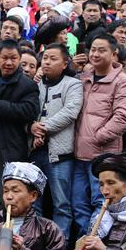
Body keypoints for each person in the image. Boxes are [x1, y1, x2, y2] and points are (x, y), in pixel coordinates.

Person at [0, 39, 40, 243]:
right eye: (4, 58)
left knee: (2, 195)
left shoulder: (27, 85)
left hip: (9, 147)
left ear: (20, 60)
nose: (9, 63)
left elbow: (30, 110)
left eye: (13, 58)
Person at [71, 33, 126, 237]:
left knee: (101, 203)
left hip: (103, 156)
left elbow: (124, 117)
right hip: (78, 154)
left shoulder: (122, 82)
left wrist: (98, 137)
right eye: (93, 50)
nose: (95, 54)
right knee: (78, 204)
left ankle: (95, 244)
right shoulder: (84, 77)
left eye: (102, 50)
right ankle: (82, 245)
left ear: (114, 54)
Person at [29, 43, 83, 237]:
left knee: (61, 203)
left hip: (60, 153)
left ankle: (59, 244)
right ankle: (33, 241)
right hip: (35, 152)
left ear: (64, 63)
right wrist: (31, 127)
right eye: (45, 58)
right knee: (34, 202)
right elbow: (27, 110)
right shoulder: (34, 84)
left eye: (53, 58)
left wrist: (42, 128)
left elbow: (70, 112)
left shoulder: (73, 84)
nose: (47, 62)